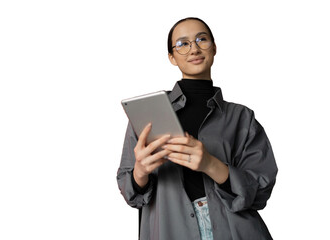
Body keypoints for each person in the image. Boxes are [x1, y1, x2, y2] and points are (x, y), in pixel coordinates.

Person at [117, 17, 278, 240]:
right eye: (183, 44)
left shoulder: (242, 117)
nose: (194, 48)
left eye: (201, 39)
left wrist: (211, 164)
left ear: (214, 48)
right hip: (170, 228)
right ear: (171, 57)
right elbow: (130, 192)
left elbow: (261, 190)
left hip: (234, 229)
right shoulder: (148, 114)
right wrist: (140, 172)